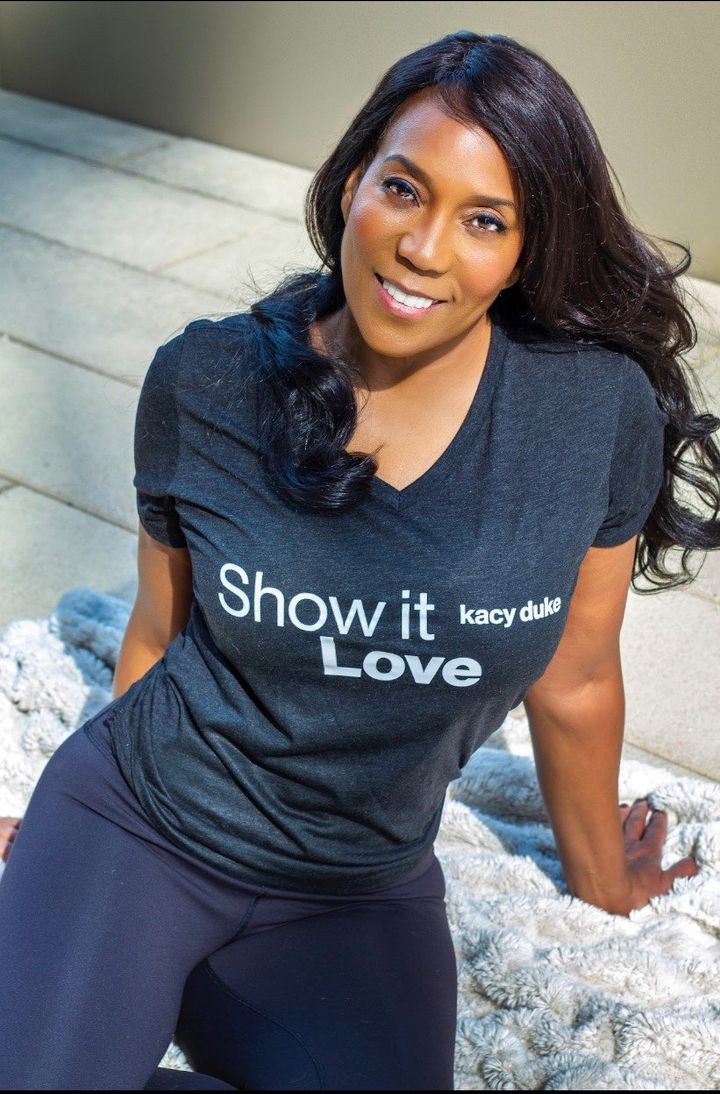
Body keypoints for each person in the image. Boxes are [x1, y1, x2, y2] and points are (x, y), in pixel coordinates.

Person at [0, 28, 717, 1092]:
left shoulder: (590, 414)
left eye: (485, 219)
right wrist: (68, 863)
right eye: (402, 188)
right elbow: (158, 628)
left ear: (528, 250)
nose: (424, 246)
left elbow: (576, 676)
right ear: (351, 187)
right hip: (143, 826)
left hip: (354, 892)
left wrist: (605, 881)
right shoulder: (208, 380)